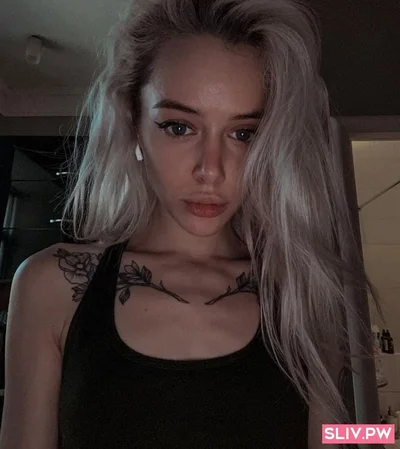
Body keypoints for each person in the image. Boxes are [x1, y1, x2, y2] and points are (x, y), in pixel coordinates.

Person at [0, 0, 381, 448]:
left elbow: (333, 437)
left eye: (243, 133)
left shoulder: (301, 292)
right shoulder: (54, 285)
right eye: (179, 127)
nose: (211, 170)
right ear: (133, 122)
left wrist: (380, 434)